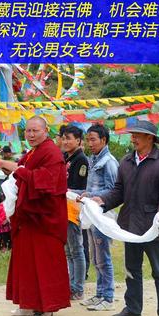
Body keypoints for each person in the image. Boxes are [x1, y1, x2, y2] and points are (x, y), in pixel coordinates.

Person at [87, 121, 159, 316]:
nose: (133, 138)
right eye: (132, 134)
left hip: (154, 227)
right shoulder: (127, 161)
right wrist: (102, 201)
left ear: (150, 138)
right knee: (131, 270)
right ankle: (133, 308)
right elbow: (118, 191)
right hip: (130, 226)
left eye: (137, 135)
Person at [0, 116, 70, 316]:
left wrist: (18, 170)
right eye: (28, 131)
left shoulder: (52, 152)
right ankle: (27, 304)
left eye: (35, 131)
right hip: (28, 217)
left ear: (46, 131)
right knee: (25, 262)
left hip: (44, 218)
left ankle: (46, 309)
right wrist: (8, 167)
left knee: (44, 264)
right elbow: (22, 171)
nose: (31, 135)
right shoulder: (33, 152)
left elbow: (45, 181)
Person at [79, 123, 119, 311]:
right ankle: (99, 294)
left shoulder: (109, 162)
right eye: (88, 140)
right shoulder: (93, 160)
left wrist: (97, 197)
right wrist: (86, 195)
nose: (90, 143)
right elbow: (92, 187)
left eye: (93, 139)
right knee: (95, 257)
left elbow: (114, 190)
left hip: (103, 215)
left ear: (103, 140)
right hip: (92, 214)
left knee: (103, 256)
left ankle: (108, 297)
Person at [61, 125, 88, 302]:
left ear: (78, 140)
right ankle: (71, 285)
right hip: (63, 207)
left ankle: (78, 288)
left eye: (68, 138)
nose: (65, 141)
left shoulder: (81, 160)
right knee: (68, 250)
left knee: (76, 249)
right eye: (63, 138)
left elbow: (80, 187)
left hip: (73, 208)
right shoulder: (65, 157)